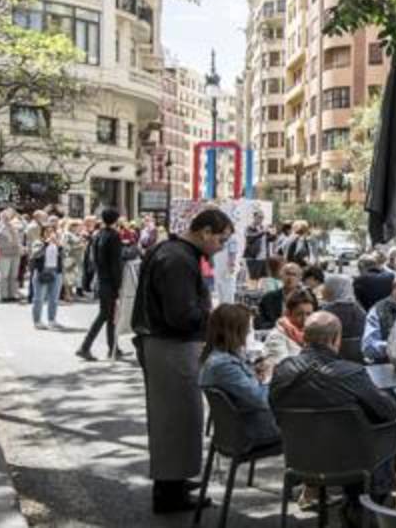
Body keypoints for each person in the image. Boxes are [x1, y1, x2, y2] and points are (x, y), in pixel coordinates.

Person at [131, 208, 234, 513]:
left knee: (179, 418)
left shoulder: (173, 251)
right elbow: (180, 315)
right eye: (221, 239)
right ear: (204, 232)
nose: (221, 246)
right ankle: (169, 491)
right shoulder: (178, 259)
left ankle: (172, 480)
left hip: (167, 344)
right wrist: (212, 319)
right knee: (175, 419)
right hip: (171, 345)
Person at [270, 311, 396, 526]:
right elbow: (387, 411)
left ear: (305, 337)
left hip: (300, 456)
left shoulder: (282, 371)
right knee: (386, 431)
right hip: (352, 459)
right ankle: (365, 506)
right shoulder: (351, 373)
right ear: (335, 339)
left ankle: (357, 506)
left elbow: (275, 409)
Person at [197, 303, 280, 448]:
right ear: (236, 331)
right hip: (252, 430)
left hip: (242, 426)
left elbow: (244, 390)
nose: (251, 333)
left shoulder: (220, 357)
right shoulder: (223, 365)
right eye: (249, 329)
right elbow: (261, 400)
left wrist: (254, 374)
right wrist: (271, 379)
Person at [77, 208, 125, 359]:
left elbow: (93, 259)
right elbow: (115, 264)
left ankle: (113, 347)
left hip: (101, 278)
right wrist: (118, 284)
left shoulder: (98, 235)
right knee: (105, 315)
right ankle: (85, 346)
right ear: (115, 220)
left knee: (109, 316)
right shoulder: (114, 236)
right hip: (109, 281)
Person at [264, 290, 317, 367]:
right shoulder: (277, 336)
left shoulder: (313, 335)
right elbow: (283, 368)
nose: (305, 319)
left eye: (309, 314)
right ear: (288, 313)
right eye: (299, 314)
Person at [30, 225, 64, 328]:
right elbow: (35, 254)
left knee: (54, 298)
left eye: (52, 231)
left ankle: (52, 319)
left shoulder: (57, 243)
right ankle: (37, 321)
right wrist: (46, 244)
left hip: (56, 272)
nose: (50, 233)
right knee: (39, 298)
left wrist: (59, 246)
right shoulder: (38, 243)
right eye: (47, 231)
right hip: (42, 272)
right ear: (42, 233)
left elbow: (65, 255)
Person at [255, 262, 307, 330]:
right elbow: (259, 324)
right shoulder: (268, 298)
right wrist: (279, 326)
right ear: (281, 276)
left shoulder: (305, 298)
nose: (290, 278)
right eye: (287, 274)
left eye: (294, 275)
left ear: (299, 278)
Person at [319, 273, 366, 341]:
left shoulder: (325, 313)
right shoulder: (360, 311)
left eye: (325, 286)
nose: (322, 290)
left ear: (332, 289)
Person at [0, 208, 22, 302]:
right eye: (6, 214)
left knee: (14, 275)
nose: (8, 216)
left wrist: (12, 227)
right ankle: (4, 295)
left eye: (10, 214)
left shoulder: (16, 224)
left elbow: (19, 236)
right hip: (5, 253)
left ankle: (13, 294)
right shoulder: (0, 226)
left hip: (15, 252)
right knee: (4, 275)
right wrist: (7, 226)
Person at [242, 211, 271, 282]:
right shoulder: (249, 227)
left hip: (264, 258)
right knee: (253, 279)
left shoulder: (263, 227)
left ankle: (261, 292)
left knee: (264, 279)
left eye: (262, 217)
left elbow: (268, 240)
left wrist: (272, 235)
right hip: (253, 257)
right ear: (254, 217)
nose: (261, 219)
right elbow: (249, 237)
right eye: (259, 217)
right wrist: (262, 232)